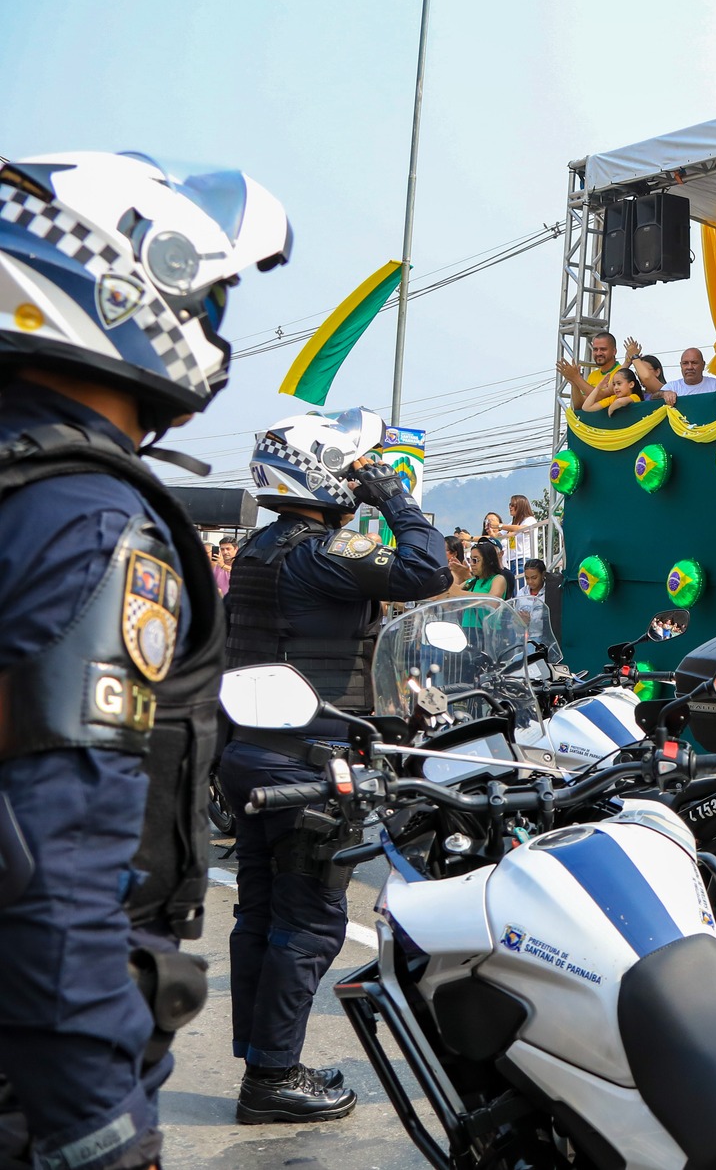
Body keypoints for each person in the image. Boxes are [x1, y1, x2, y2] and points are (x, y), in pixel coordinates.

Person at [0, 151, 289, 1170]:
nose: (213, 338)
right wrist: (104, 1136)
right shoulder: (88, 517)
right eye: (206, 303)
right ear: (132, 283)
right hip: (39, 1089)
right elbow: (47, 869)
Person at [222, 407, 450, 1123]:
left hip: (251, 754)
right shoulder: (318, 554)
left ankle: (264, 1059)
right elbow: (430, 567)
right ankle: (272, 1078)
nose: (355, 477)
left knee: (260, 913)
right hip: (308, 764)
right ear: (317, 468)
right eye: (349, 464)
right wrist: (392, 493)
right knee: (311, 922)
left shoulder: (258, 552)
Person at [555, 331, 623, 406]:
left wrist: (576, 377)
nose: (598, 353)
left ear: (614, 351)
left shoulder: (621, 372)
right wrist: (574, 383)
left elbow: (600, 397)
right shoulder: (592, 375)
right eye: (595, 349)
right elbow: (579, 405)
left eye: (603, 349)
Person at [501, 495, 539, 575]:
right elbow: (498, 535)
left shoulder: (530, 520)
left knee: (522, 586)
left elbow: (523, 528)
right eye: (510, 505)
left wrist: (499, 526)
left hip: (524, 560)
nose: (510, 507)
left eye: (513, 505)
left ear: (521, 506)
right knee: (516, 587)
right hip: (511, 562)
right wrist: (471, 538)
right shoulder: (512, 523)